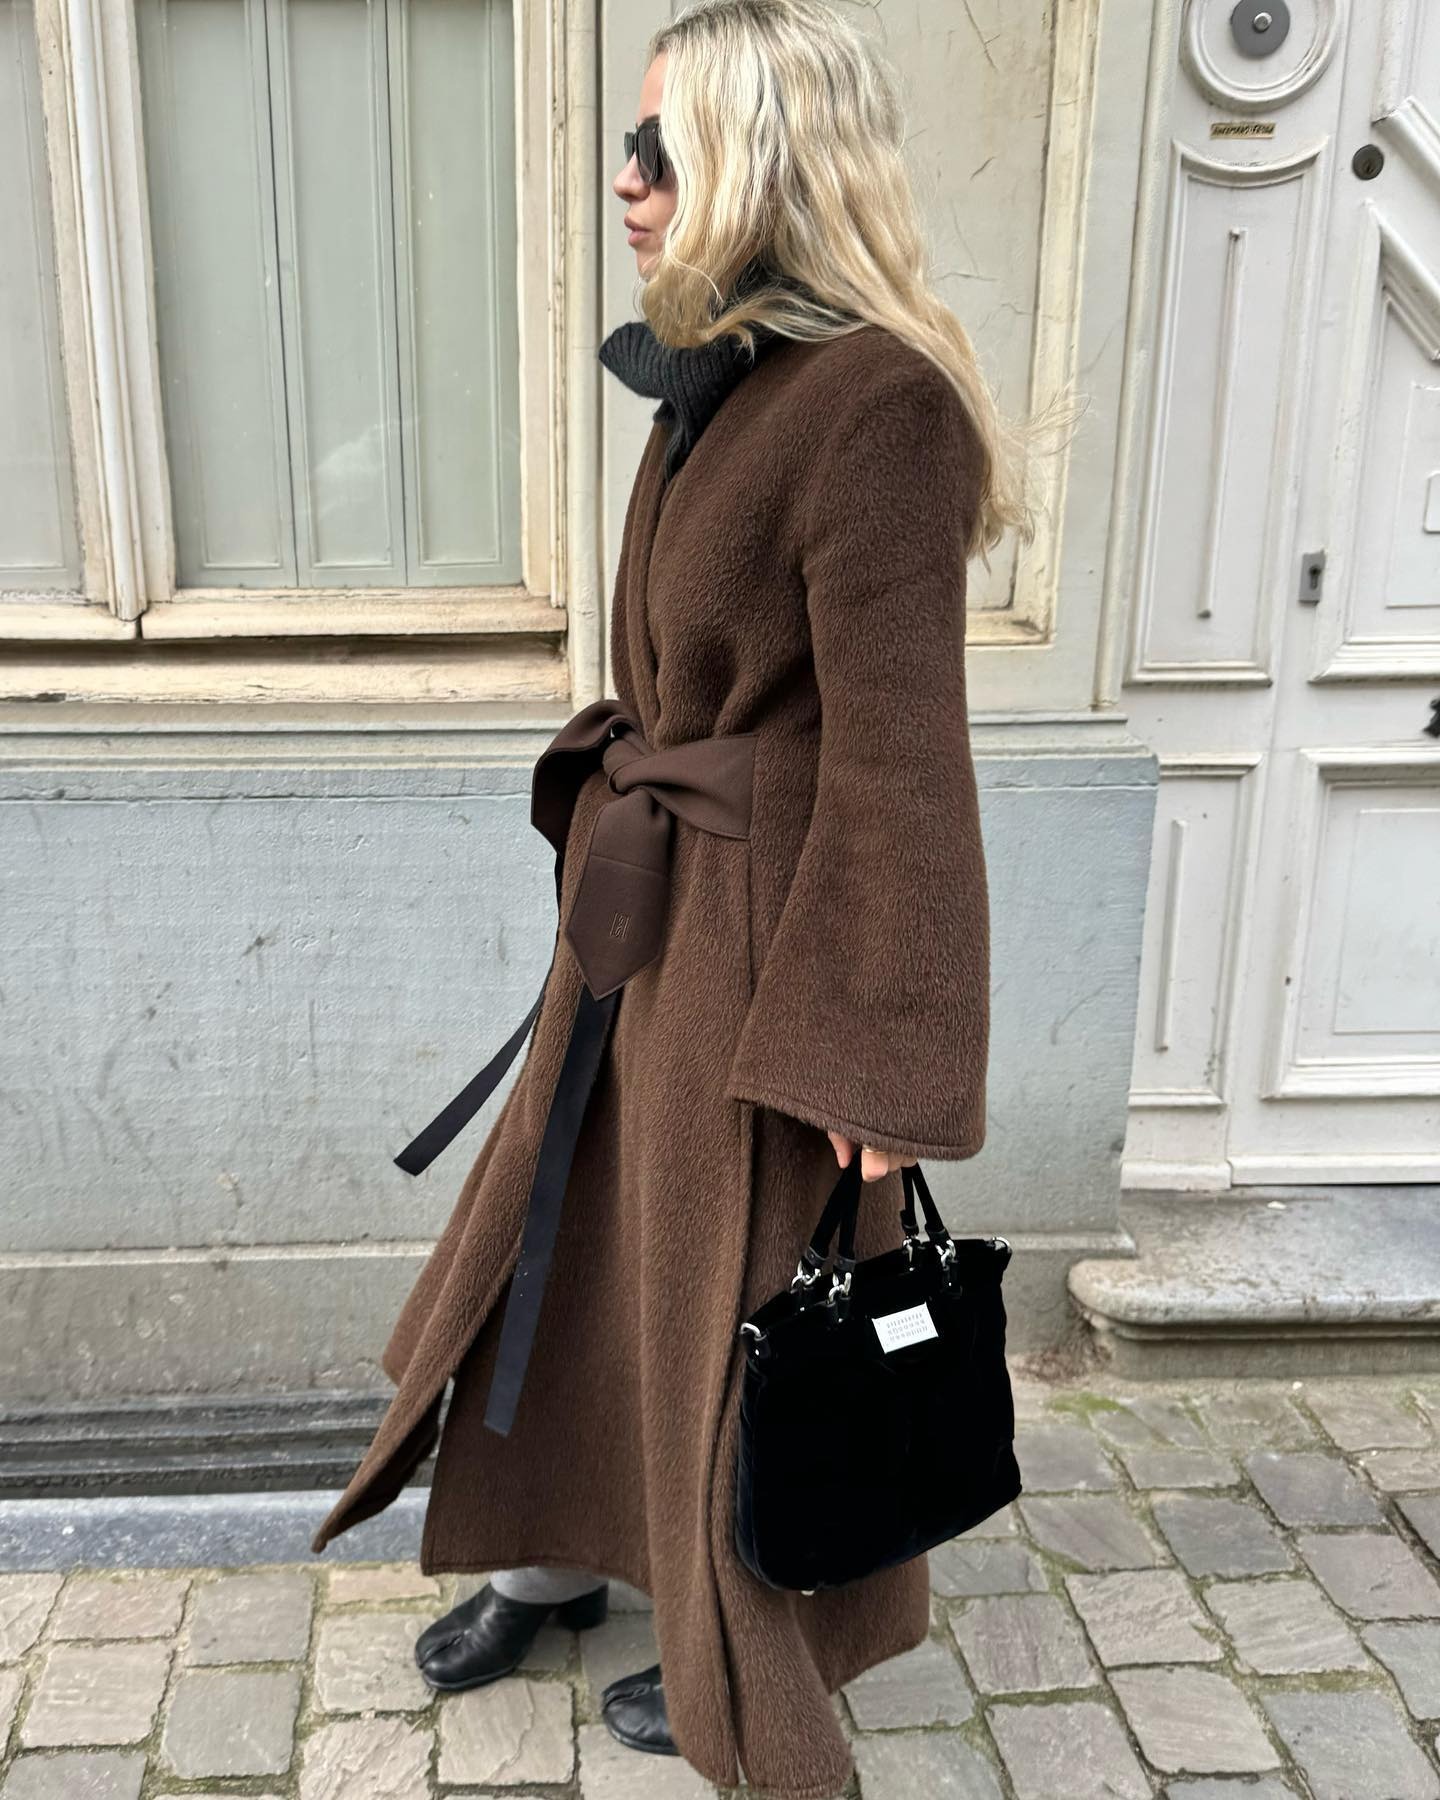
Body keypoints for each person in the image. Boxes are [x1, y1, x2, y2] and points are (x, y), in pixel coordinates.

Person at [310, 1, 1064, 1792]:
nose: (627, 180)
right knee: (577, 1250)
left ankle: (742, 1648)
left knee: (728, 1309)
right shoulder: (717, 375)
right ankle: (559, 1558)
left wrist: (879, 1061)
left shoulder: (879, 408)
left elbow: (902, 763)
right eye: (631, 144)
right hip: (641, 919)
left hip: (763, 952)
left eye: (661, 146)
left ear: (762, 160)